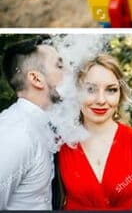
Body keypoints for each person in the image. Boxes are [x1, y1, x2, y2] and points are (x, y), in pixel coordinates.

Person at [58, 54, 132, 210]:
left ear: (120, 94)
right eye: (90, 89)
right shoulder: (61, 141)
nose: (101, 100)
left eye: (111, 90)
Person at [0, 36, 64, 211]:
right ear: (36, 79)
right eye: (59, 66)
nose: (68, 73)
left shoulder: (44, 126)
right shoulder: (15, 134)